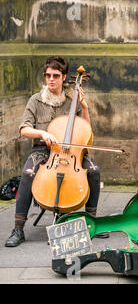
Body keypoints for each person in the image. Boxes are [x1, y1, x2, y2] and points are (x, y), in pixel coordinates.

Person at [5, 56, 102, 247]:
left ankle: (93, 222)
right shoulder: (36, 100)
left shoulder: (71, 101)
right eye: (48, 75)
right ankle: (18, 228)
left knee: (93, 170)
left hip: (72, 150)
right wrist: (42, 132)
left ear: (64, 77)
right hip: (43, 150)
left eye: (55, 75)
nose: (51, 79)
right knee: (28, 172)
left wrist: (84, 107)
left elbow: (85, 131)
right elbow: (23, 129)